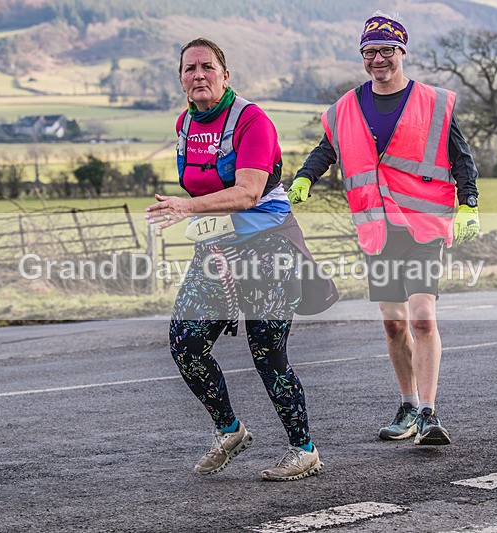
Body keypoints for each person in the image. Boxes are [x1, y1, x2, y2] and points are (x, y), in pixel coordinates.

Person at [146, 38, 337, 480]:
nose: (198, 75)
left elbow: (250, 192)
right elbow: (202, 191)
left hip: (269, 248)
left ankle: (303, 450)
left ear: (225, 75)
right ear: (180, 79)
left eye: (207, 67)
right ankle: (229, 429)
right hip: (217, 249)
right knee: (185, 341)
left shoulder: (252, 120)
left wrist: (187, 207)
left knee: (266, 350)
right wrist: (194, 214)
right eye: (189, 68)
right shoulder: (185, 125)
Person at [288, 12, 481, 445]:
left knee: (423, 318)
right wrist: (304, 177)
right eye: (370, 52)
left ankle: (430, 414)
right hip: (376, 230)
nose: (379, 59)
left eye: (386, 51)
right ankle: (409, 405)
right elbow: (328, 149)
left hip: (423, 226)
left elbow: (461, 156)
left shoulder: (434, 101)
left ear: (402, 53)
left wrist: (468, 203)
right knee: (394, 325)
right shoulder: (346, 107)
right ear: (363, 56)